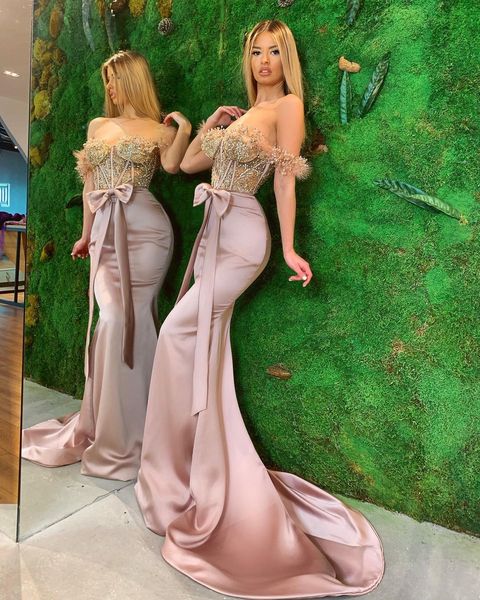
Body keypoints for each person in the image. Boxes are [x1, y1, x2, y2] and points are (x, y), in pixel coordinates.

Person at [135, 20, 384, 598]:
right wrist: (211, 125)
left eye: (274, 51)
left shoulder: (288, 108)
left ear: (285, 58)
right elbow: (189, 166)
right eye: (256, 51)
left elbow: (284, 183)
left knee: (175, 333)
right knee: (200, 348)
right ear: (248, 59)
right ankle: (196, 470)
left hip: (243, 235)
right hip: (212, 236)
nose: (264, 59)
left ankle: (182, 472)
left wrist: (290, 247)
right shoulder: (243, 113)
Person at [22, 50, 192, 481]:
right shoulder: (97, 126)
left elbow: (173, 166)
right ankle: (109, 428)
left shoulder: (159, 129)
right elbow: (90, 185)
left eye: (115, 79)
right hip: (105, 235)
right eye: (106, 81)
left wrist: (186, 130)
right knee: (113, 320)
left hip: (149, 233)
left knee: (138, 322)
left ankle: (143, 432)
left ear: (133, 79)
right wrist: (85, 234)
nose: (110, 88)